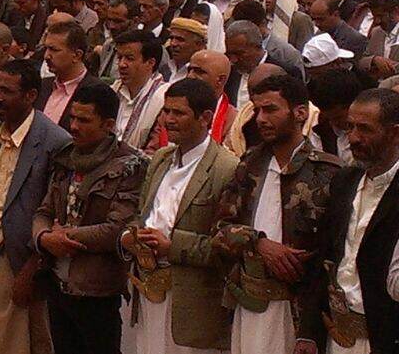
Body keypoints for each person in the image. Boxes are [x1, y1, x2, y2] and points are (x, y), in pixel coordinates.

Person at [211, 73, 340, 354]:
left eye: (270, 109)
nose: (260, 119)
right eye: (257, 110)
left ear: (299, 112)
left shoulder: (328, 174)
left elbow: (332, 255)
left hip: (299, 310)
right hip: (249, 302)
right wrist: (258, 242)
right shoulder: (250, 165)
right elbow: (219, 230)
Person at [123, 77, 239, 354]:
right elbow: (142, 215)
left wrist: (171, 246)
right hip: (148, 288)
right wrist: (129, 237)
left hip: (192, 301)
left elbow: (227, 246)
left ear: (205, 117)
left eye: (179, 113)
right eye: (166, 111)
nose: (168, 120)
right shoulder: (161, 159)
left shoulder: (228, 168)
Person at [34, 83, 146, 354]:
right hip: (57, 284)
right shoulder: (66, 158)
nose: (73, 126)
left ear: (108, 124)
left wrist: (64, 237)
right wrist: (44, 237)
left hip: (96, 290)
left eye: (84, 120)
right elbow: (43, 212)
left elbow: (117, 229)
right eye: (72, 117)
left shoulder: (129, 166)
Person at [0, 58, 72, 354]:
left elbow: (52, 212)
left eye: (7, 91)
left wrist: (32, 267)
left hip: (19, 248)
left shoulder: (55, 141)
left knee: (11, 340)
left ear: (30, 95)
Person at [314, 88, 399, 354]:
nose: (353, 138)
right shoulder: (344, 181)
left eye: (364, 129)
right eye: (350, 127)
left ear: (395, 133)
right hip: (337, 335)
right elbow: (325, 254)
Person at [113, 29, 168, 152]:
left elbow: (155, 152)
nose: (122, 64)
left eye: (129, 58)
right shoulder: (112, 91)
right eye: (120, 58)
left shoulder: (165, 99)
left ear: (150, 63)